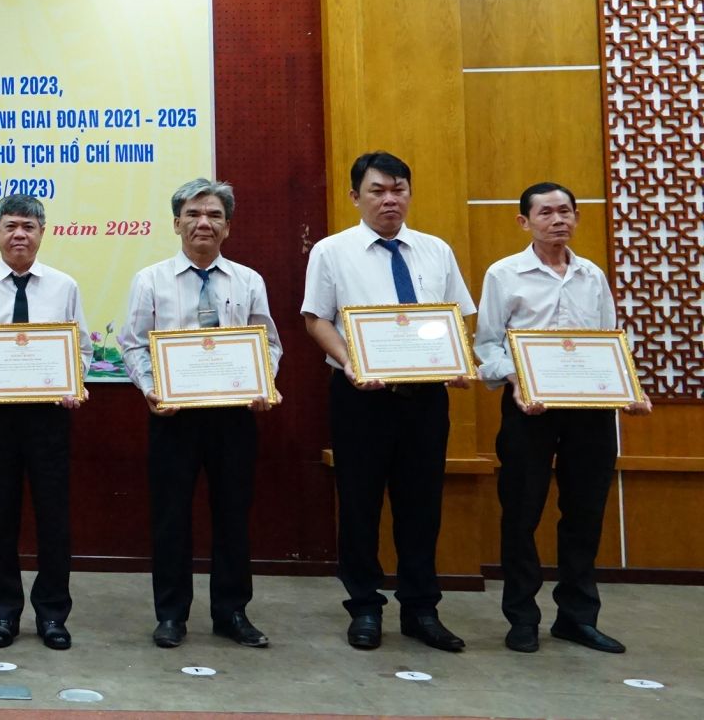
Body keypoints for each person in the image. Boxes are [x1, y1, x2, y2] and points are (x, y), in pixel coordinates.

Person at [301, 151, 476, 652]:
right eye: (377, 190)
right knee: (359, 505)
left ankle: (421, 609)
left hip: (425, 398)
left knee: (421, 506)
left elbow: (456, 317)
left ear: (409, 194)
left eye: (398, 190)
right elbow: (316, 318)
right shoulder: (332, 251)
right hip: (361, 399)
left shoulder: (435, 250)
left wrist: (457, 360)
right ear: (355, 197)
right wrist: (349, 362)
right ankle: (364, 607)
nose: (389, 199)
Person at [474, 182, 652, 655]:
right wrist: (515, 379)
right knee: (522, 512)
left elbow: (610, 341)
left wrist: (629, 388)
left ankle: (577, 617)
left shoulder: (591, 275)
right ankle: (522, 618)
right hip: (528, 410)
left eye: (566, 211)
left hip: (589, 411)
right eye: (547, 212)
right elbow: (486, 344)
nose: (559, 220)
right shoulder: (504, 274)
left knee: (584, 513)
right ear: (524, 221)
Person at [117, 179, 282, 650]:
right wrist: (151, 388)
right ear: (176, 224)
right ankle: (171, 615)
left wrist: (262, 381)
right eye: (192, 214)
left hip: (233, 417)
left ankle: (232, 612)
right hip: (173, 417)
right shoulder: (150, 280)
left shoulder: (248, 281)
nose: (202, 223)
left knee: (233, 516)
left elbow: (268, 342)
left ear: (227, 227)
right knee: (171, 518)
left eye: (213, 215)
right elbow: (133, 343)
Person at [0, 194, 90, 650]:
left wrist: (73, 382)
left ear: (42, 233)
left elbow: (81, 349)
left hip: (50, 417)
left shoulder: (64, 287)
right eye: (10, 226)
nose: (19, 235)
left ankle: (52, 614)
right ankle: (3, 613)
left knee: (54, 519)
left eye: (28, 227)